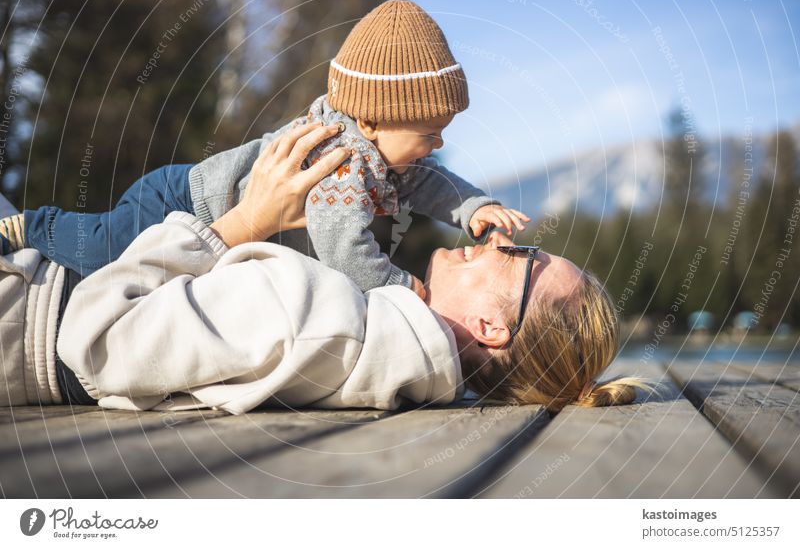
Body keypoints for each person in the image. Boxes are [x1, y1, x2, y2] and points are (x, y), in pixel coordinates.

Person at [1, 125, 653, 414]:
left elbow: (92, 339)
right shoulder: (390, 345)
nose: (491, 241)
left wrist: (242, 224)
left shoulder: (333, 323)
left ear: (489, 325)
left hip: (27, 307)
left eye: (516, 257)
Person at [0, 0, 530, 300]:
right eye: (428, 133)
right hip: (178, 205)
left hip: (197, 215)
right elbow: (343, 245)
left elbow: (431, 180)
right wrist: (401, 287)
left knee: (115, 278)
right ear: (370, 121)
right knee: (102, 254)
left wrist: (474, 207)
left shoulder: (384, 154)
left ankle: (47, 257)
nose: (437, 145)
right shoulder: (340, 163)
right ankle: (35, 226)